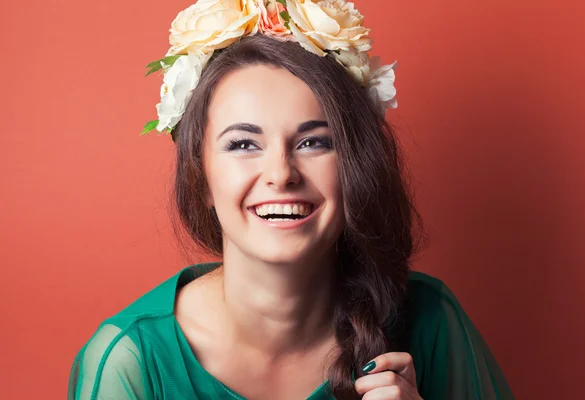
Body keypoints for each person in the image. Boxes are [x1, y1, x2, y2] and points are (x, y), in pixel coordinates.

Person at [68, 1, 515, 399]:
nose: (281, 174)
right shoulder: (131, 362)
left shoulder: (431, 321)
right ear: (199, 177)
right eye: (243, 145)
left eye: (313, 143)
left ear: (355, 168)